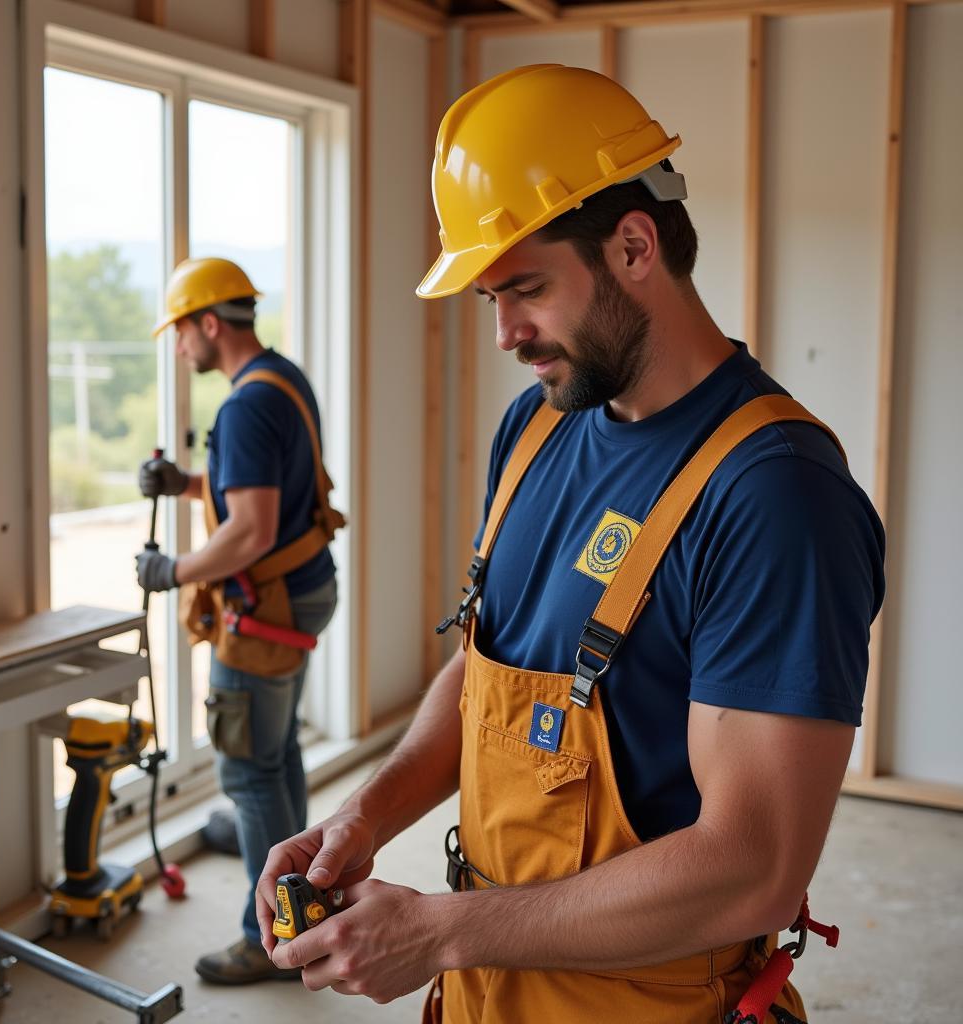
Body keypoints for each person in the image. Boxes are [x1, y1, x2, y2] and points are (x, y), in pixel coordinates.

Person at [254, 65, 885, 1022]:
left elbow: (752, 868)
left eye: (528, 289)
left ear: (635, 245)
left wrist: (441, 930)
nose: (506, 332)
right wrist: (363, 815)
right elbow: (487, 676)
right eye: (489, 299)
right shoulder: (536, 430)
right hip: (484, 994)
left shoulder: (773, 496)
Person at [135, 256, 342, 984]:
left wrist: (175, 571)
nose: (180, 346)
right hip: (304, 587)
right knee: (276, 746)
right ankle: (297, 880)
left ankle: (271, 939)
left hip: (267, 606)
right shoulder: (280, 378)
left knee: (247, 767)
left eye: (182, 331)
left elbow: (250, 532)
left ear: (210, 323)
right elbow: (267, 491)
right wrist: (188, 484)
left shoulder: (243, 406)